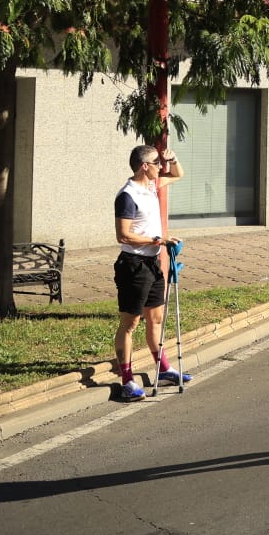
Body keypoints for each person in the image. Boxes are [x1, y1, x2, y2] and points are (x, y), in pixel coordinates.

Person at [113, 143, 189, 401]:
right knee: (130, 323)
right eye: (157, 163)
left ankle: (164, 369)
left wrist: (172, 157)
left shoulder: (152, 186)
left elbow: (179, 174)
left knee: (155, 318)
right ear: (145, 166)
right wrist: (157, 240)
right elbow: (123, 235)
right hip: (133, 265)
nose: (162, 167)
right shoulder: (128, 195)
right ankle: (127, 380)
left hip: (153, 263)